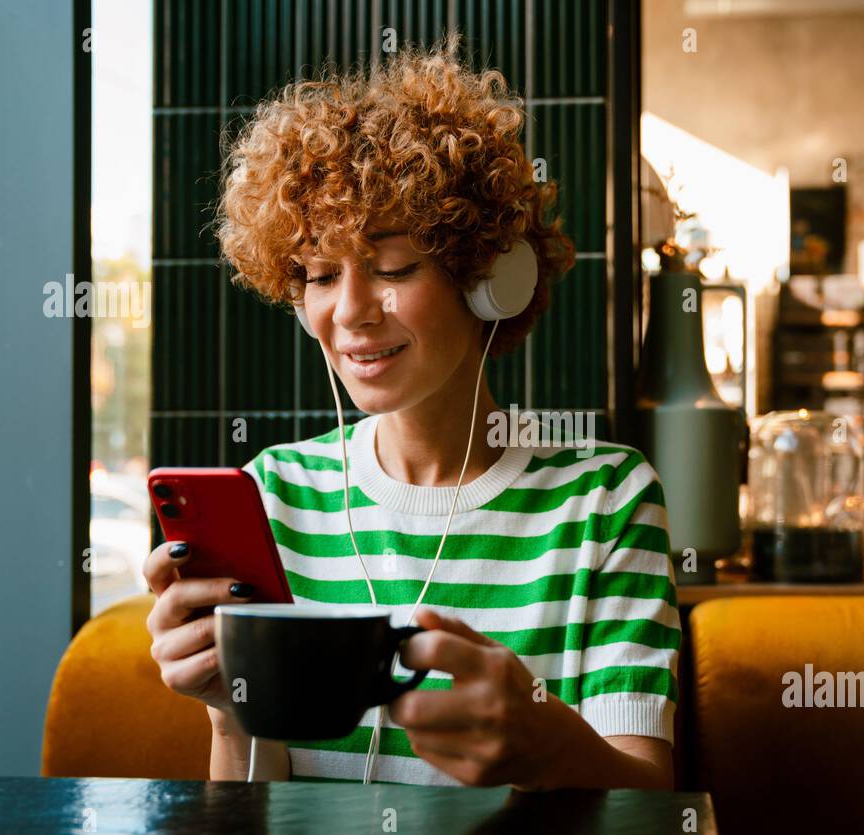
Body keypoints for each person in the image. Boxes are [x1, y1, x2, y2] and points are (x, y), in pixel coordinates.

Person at [144, 36, 682, 789]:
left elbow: (650, 811)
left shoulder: (605, 500)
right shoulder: (276, 496)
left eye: (394, 267)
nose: (352, 312)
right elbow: (253, 825)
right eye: (322, 274)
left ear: (491, 278)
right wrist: (228, 707)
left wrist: (541, 736)